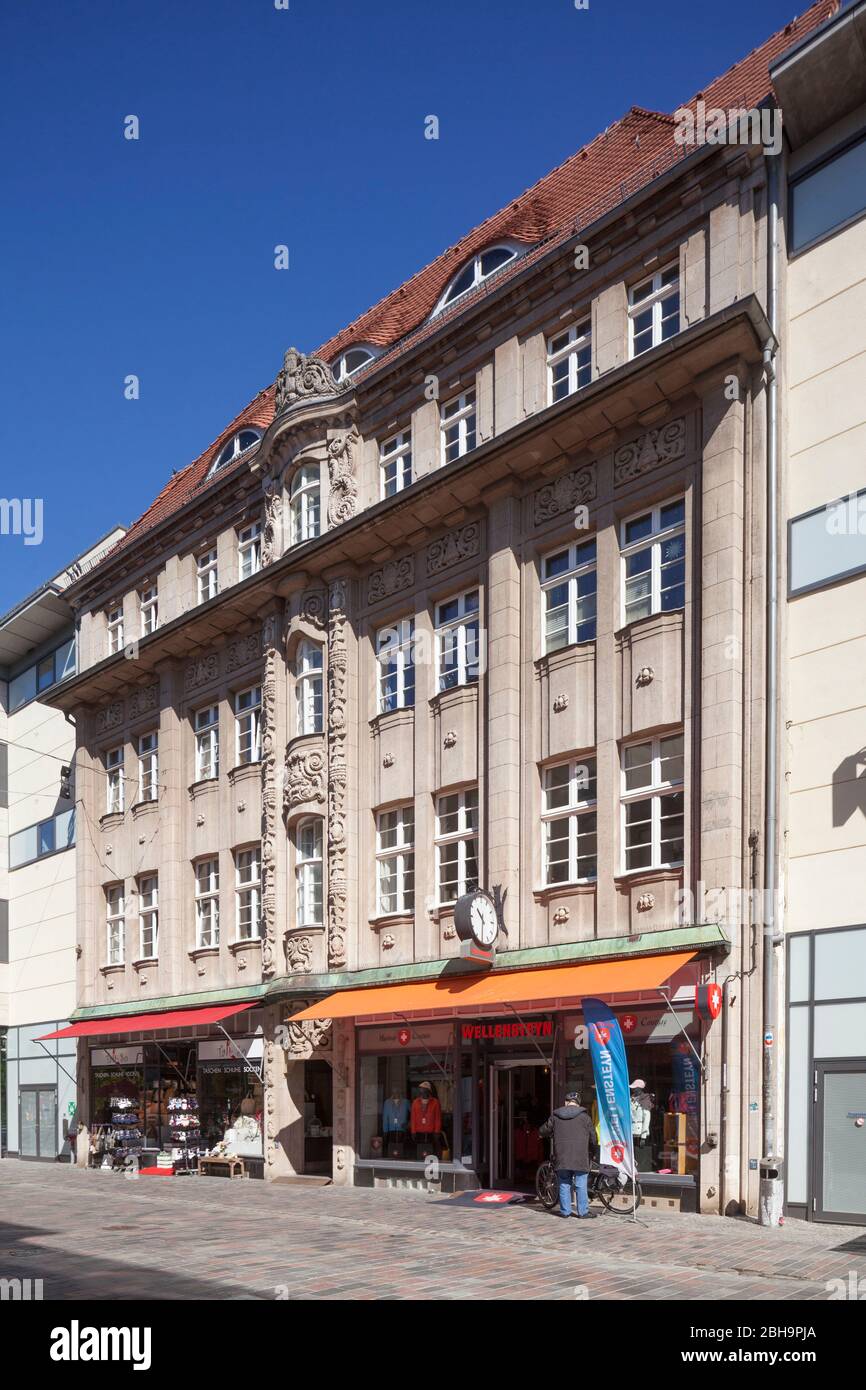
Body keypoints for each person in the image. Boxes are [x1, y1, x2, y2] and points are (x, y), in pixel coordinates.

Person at [540, 1091, 598, 1219]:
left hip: (562, 1156)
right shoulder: (585, 1117)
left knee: (564, 1183)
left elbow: (543, 1130)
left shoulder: (555, 1116)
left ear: (566, 1102)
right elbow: (593, 1138)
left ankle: (565, 1211)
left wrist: (545, 1134)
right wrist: (593, 1152)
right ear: (578, 1104)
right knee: (581, 1183)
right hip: (580, 1156)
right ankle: (583, 1212)